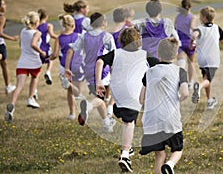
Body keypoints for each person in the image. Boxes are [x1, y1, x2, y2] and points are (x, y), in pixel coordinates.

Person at [96, 28, 159, 172]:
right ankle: (125, 155)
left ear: (121, 41)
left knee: (125, 118)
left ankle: (128, 147)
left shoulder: (116, 53)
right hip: (133, 92)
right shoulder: (144, 55)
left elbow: (100, 61)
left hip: (117, 93)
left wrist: (99, 81)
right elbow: (159, 65)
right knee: (129, 123)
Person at [139, 37, 188, 174]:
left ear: (158, 54)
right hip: (170, 120)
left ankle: (164, 167)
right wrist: (177, 98)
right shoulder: (180, 72)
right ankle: (170, 165)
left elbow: (141, 99)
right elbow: (185, 93)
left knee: (159, 155)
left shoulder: (149, 73)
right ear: (176, 54)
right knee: (177, 149)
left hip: (151, 121)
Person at [64, 12, 115, 131]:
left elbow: (71, 50)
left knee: (100, 98)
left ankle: (107, 123)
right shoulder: (107, 36)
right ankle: (89, 106)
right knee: (100, 99)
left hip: (88, 71)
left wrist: (67, 68)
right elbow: (114, 55)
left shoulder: (84, 36)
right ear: (103, 23)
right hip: (103, 71)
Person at [4, 11, 46, 122]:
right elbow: (33, 44)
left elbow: (22, 45)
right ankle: (31, 98)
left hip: (22, 62)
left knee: (19, 86)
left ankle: (11, 105)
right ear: (36, 22)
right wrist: (41, 52)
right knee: (34, 78)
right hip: (34, 62)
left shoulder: (23, 31)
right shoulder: (37, 33)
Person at [190, 6, 223, 109]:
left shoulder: (199, 29)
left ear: (204, 18)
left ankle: (210, 100)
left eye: (200, 16)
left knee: (206, 78)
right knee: (207, 80)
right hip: (213, 59)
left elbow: (193, 36)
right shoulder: (217, 28)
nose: (199, 17)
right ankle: (199, 87)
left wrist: (191, 43)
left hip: (202, 59)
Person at [50, 14, 83, 120]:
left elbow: (55, 54)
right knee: (78, 90)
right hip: (76, 65)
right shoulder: (78, 36)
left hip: (64, 65)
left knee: (70, 92)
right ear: (73, 25)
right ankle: (82, 112)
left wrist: (50, 58)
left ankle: (72, 113)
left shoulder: (59, 38)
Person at [64, 0, 91, 99]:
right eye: (87, 8)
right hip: (81, 50)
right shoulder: (86, 21)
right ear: (82, 9)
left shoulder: (70, 19)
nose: (88, 10)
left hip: (68, 49)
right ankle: (77, 93)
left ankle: (74, 91)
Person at [174, 0, 197, 87]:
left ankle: (181, 80)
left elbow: (174, 27)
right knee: (191, 62)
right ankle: (190, 82)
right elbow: (192, 27)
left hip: (180, 42)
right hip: (189, 41)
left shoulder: (178, 16)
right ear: (190, 7)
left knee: (181, 62)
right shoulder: (192, 17)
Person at [0, 0, 19, 94]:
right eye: (3, 4)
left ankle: (8, 86)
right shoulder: (1, 18)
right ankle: (8, 86)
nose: (5, 6)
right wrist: (12, 38)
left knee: (4, 63)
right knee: (3, 63)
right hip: (0, 44)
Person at [37, 8, 58, 86]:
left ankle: (34, 89)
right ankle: (48, 71)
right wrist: (59, 37)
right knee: (51, 59)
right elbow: (52, 35)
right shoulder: (48, 25)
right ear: (46, 16)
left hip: (38, 48)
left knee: (38, 67)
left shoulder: (35, 26)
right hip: (46, 47)